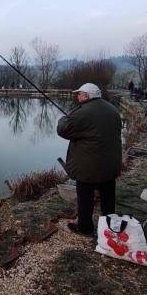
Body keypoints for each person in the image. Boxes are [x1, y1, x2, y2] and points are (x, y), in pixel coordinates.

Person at [57, 83, 122, 236]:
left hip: (89, 166)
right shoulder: (112, 109)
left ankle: (85, 227)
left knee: (85, 197)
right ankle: (109, 225)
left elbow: (63, 129)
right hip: (110, 164)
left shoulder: (84, 111)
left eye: (79, 94)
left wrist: (65, 118)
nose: (77, 97)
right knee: (108, 196)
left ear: (86, 95)